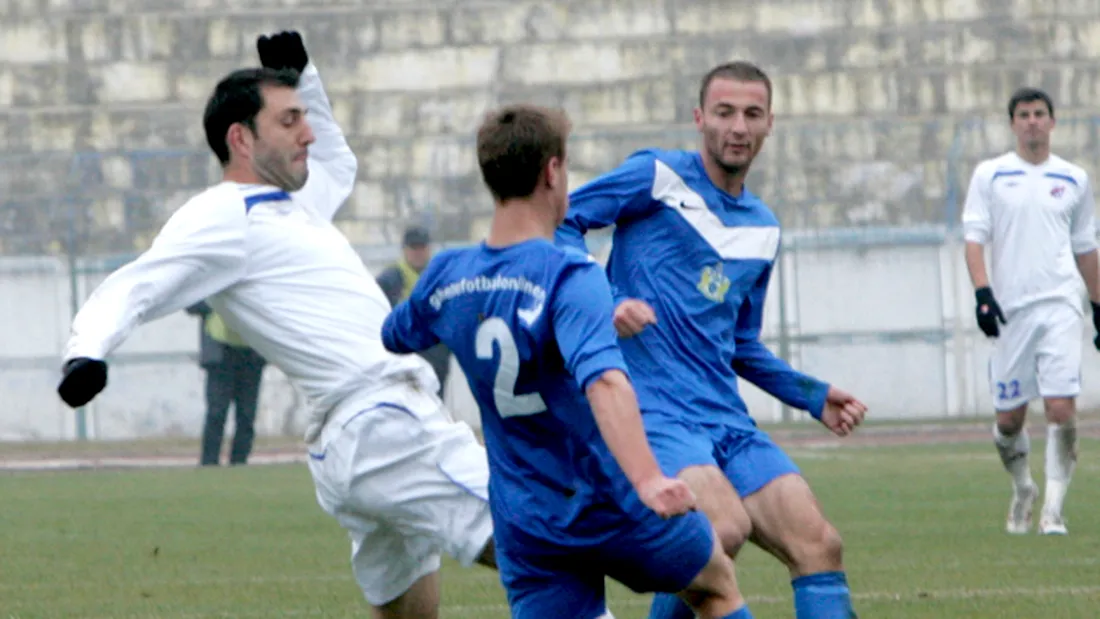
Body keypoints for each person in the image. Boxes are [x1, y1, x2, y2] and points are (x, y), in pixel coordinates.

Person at [54, 30, 496, 618]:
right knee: (547, 537)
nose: (306, 132)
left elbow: (339, 161)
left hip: (362, 434)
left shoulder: (294, 204)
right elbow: (137, 284)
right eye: (289, 121)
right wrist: (87, 350)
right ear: (241, 138)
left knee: (413, 610)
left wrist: (305, 78)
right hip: (382, 424)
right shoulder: (222, 215)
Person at [381, 103, 754, 619]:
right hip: (611, 501)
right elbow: (604, 382)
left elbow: (395, 335)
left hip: (529, 521)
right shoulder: (570, 274)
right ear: (553, 172)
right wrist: (648, 479)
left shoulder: (447, 274)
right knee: (716, 588)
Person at [555, 60, 867, 619]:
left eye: (752, 114)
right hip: (652, 408)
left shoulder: (763, 228)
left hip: (724, 416)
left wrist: (812, 395)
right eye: (724, 113)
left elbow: (741, 344)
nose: (738, 127)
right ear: (700, 118)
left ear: (771, 123)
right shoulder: (657, 176)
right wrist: (602, 300)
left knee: (819, 543)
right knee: (721, 528)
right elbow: (561, 221)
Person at [961, 86, 1100, 537]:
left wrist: (1098, 306)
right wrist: (983, 294)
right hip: (1011, 313)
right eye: (1024, 114)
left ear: (1053, 122)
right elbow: (974, 239)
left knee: (1061, 408)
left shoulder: (1074, 179)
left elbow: (1085, 248)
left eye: (1040, 113)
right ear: (1013, 123)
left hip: (1060, 306)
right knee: (1008, 420)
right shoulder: (991, 176)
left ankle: (1054, 511)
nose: (1033, 121)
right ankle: (1024, 487)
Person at [185, 300, 267, 466]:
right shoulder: (210, 279)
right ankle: (209, 463)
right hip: (219, 354)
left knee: (246, 414)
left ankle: (239, 462)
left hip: (252, 353)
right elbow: (191, 304)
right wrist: (220, 301)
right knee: (216, 412)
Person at [376, 225, 451, 396]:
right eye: (413, 248)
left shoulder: (440, 276)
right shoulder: (390, 279)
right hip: (403, 359)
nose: (418, 253)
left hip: (436, 359)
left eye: (422, 247)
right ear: (404, 250)